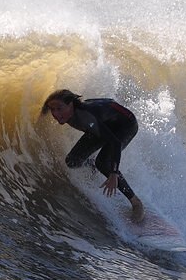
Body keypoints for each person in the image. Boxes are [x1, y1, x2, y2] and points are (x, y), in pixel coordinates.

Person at [41, 89, 145, 221]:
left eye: (59, 108)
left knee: (103, 163)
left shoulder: (86, 117)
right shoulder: (72, 114)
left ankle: (135, 202)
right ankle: (98, 170)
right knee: (72, 161)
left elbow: (115, 143)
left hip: (125, 124)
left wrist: (113, 173)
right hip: (104, 124)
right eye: (52, 109)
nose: (55, 114)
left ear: (71, 104)